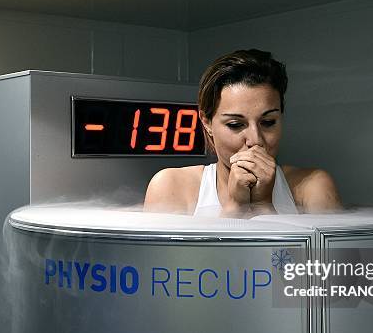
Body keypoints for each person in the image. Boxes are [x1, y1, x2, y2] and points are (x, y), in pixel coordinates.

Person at [144, 49, 341, 218]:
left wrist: (262, 206)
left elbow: (331, 263)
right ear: (207, 122)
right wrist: (235, 208)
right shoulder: (170, 186)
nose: (255, 140)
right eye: (236, 124)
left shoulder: (312, 186)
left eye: (268, 122)